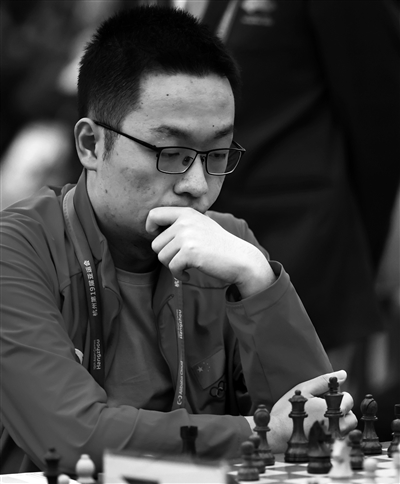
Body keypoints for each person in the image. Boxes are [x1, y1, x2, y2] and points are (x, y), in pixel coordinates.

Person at [0, 5, 357, 475]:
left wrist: (258, 279)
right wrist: (257, 436)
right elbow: (74, 438)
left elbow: (316, 428)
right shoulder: (18, 250)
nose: (196, 184)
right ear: (90, 145)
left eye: (217, 154)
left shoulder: (230, 247)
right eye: (171, 152)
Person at [190, 0, 400, 398]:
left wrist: (359, 261)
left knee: (310, 420)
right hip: (212, 248)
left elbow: (379, 122)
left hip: (307, 249)